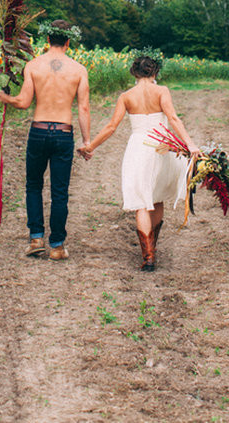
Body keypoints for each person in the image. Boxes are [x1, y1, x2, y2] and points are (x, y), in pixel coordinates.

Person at [77, 54, 200, 272]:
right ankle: (153, 247)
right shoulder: (161, 91)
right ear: (154, 72)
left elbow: (111, 127)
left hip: (138, 147)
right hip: (161, 146)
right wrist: (190, 144)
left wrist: (91, 146)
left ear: (134, 72)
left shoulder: (126, 96)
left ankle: (148, 256)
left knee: (142, 202)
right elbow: (173, 118)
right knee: (158, 196)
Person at [0, 19, 90, 260]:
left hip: (38, 131)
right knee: (59, 191)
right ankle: (58, 246)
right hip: (63, 133)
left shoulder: (33, 66)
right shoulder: (79, 70)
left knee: (34, 185)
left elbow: (23, 102)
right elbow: (84, 108)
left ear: (48, 39)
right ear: (68, 42)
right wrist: (86, 141)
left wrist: (4, 97)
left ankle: (36, 238)